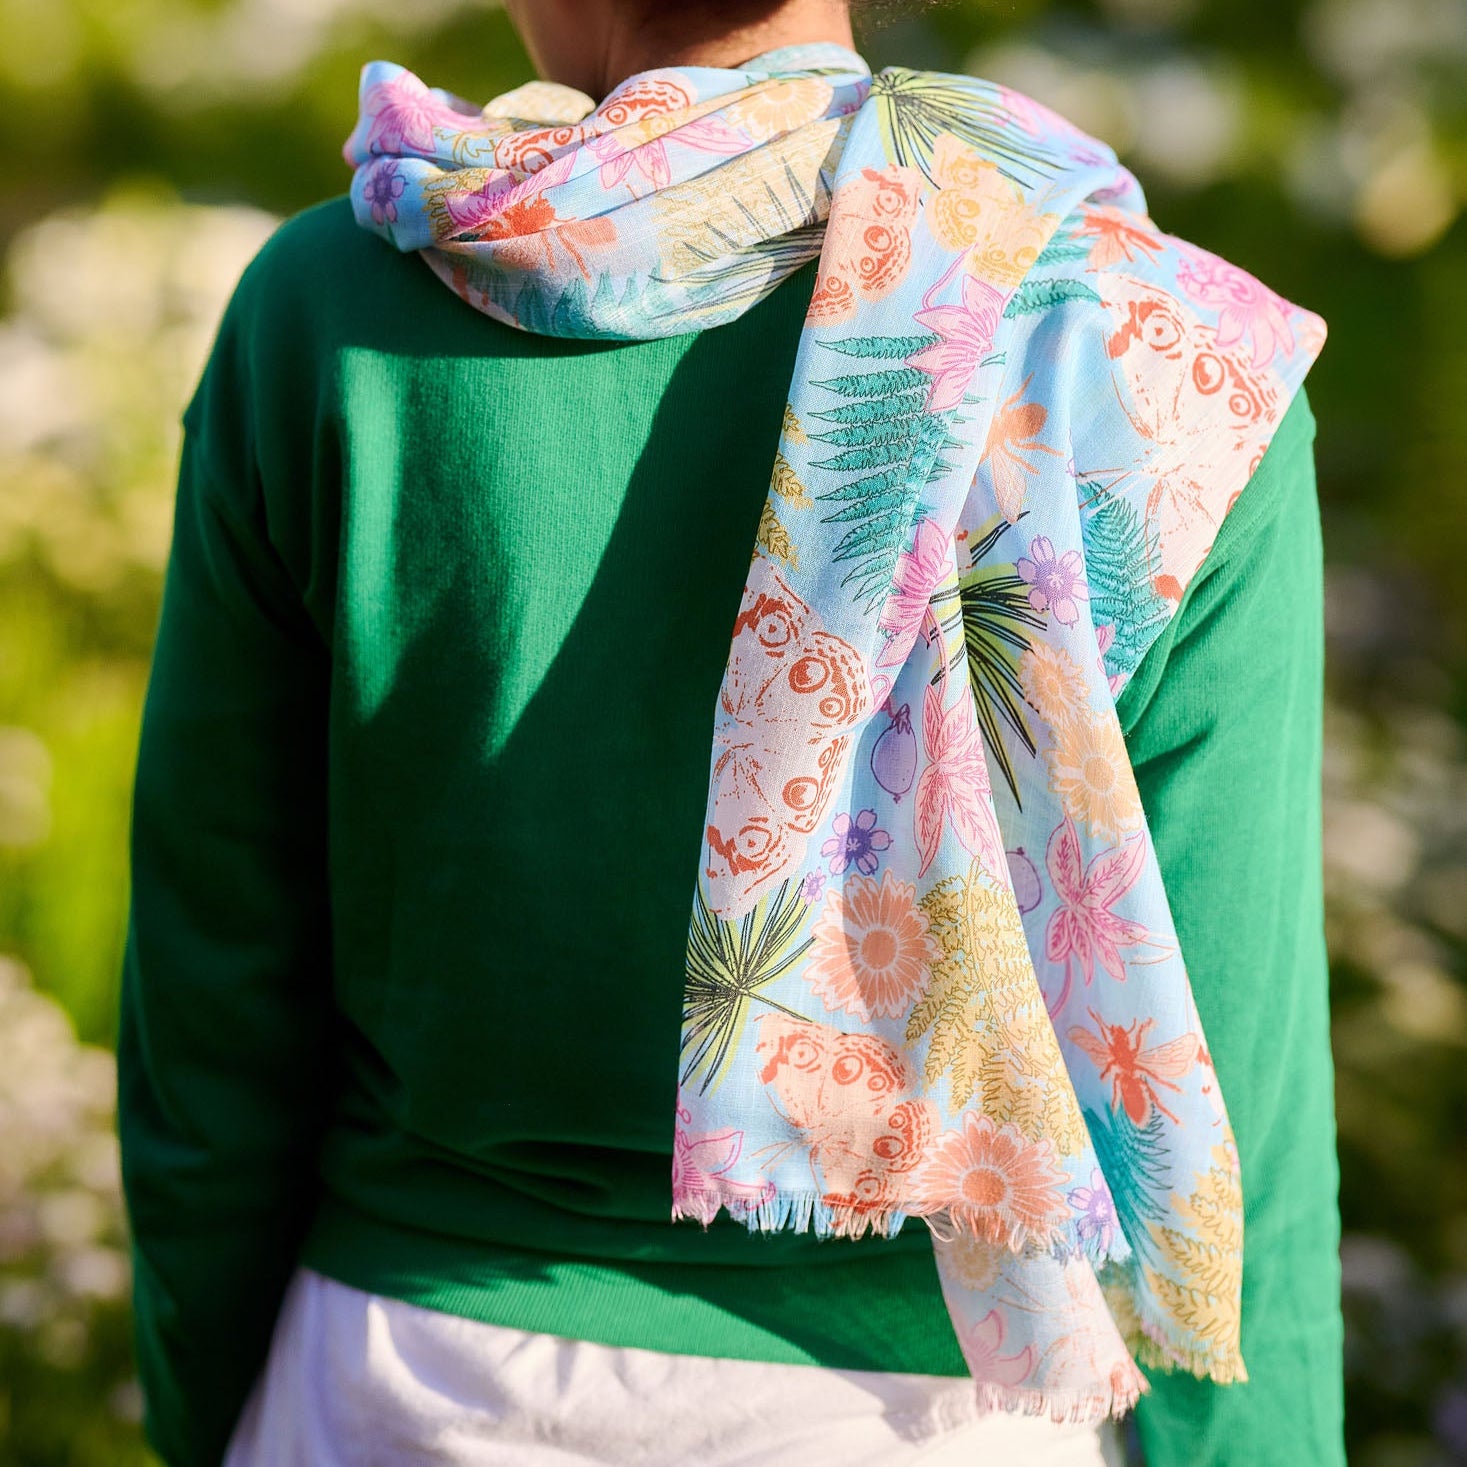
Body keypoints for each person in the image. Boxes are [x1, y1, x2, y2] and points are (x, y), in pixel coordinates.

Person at [115, 1, 1345, 1464]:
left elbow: (215, 1007)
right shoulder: (1166, 357)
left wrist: (206, 1412)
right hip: (950, 1413)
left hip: (402, 1384)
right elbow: (1226, 1101)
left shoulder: (325, 311)